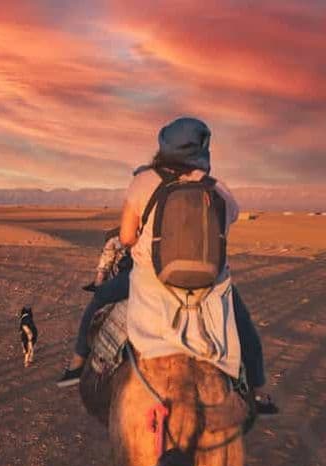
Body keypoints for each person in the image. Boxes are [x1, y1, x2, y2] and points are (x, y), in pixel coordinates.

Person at [59, 118, 277, 414]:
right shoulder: (219, 190)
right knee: (244, 327)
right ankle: (259, 390)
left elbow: (125, 237)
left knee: (100, 297)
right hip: (210, 288)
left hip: (151, 281)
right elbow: (229, 222)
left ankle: (76, 365)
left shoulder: (143, 181)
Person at [57, 229, 132, 388]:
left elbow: (128, 235)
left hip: (142, 271)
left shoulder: (143, 204)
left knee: (100, 296)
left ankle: (77, 365)